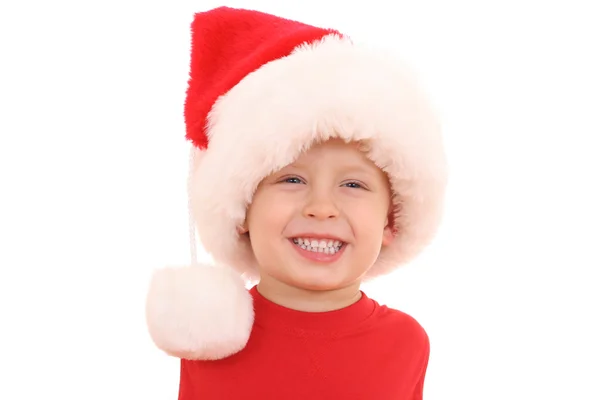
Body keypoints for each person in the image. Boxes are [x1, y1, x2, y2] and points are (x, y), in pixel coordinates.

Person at [145, 6, 448, 399]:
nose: (322, 207)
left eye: (353, 185)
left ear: (392, 219)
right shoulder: (208, 339)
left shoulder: (406, 343)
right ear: (242, 210)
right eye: (291, 179)